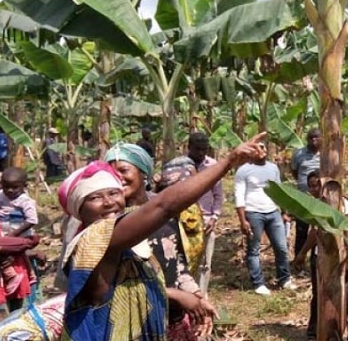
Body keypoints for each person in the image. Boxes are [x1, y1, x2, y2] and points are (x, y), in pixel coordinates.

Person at [59, 135, 264, 339]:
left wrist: (195, 297)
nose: (108, 202)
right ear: (79, 208)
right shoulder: (94, 239)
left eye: (114, 193)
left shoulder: (131, 230)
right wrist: (228, 162)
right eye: (94, 197)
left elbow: (173, 265)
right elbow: (164, 206)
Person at [104, 143, 211, 338]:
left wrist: (196, 296)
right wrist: (176, 294)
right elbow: (114, 283)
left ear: (144, 172)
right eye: (110, 172)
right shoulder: (108, 221)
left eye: (124, 170)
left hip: (171, 318)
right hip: (130, 324)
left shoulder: (165, 212)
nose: (117, 176)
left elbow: (177, 264)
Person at [292, 171, 348, 341]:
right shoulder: (315, 205)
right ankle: (315, 331)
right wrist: (302, 253)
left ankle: (343, 329)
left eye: (317, 185)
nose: (313, 189)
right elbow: (314, 233)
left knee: (344, 295)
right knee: (318, 294)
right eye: (311, 186)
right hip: (321, 257)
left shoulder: (344, 204)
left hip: (343, 257)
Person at [234, 143, 295, 295]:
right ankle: (258, 283)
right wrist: (243, 220)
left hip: (273, 211)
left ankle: (284, 278)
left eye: (264, 147)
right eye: (258, 148)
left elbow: (279, 190)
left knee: (281, 247)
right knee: (254, 250)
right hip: (254, 212)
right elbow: (239, 196)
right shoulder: (243, 171)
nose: (262, 150)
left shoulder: (273, 168)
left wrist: (284, 211)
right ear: (250, 152)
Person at [0, 167, 38, 309]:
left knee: (2, 248)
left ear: (24, 186)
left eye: (15, 187)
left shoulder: (25, 201)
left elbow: (31, 220)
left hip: (19, 234)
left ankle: (14, 276)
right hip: (4, 234)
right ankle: (10, 274)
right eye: (7, 187)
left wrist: (13, 234)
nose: (10, 191)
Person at [187, 132, 223, 296]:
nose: (201, 153)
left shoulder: (213, 165)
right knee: (186, 261)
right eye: (197, 149)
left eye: (204, 149)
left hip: (207, 221)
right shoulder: (181, 165)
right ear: (189, 148)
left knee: (205, 263)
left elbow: (218, 194)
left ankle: (202, 296)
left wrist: (215, 217)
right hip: (185, 223)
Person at [0, 202, 40, 324]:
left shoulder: (1, 210)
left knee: (12, 318)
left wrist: (8, 253)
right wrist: (27, 243)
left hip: (7, 277)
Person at [291, 129, 321, 259]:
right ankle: (299, 259)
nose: (313, 140)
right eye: (311, 138)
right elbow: (294, 171)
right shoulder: (299, 154)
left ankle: (315, 260)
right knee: (301, 230)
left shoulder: (326, 154)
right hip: (303, 197)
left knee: (319, 230)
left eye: (316, 138)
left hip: (320, 199)